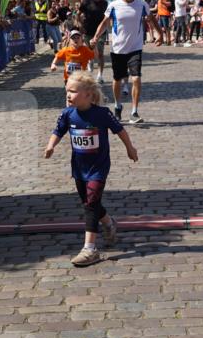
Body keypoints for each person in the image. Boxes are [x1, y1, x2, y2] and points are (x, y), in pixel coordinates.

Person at [44, 70, 138, 267]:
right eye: (67, 91)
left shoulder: (102, 114)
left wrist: (130, 148)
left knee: (91, 203)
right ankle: (109, 222)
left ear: (87, 94)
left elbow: (120, 131)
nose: (68, 95)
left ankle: (90, 248)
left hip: (98, 167)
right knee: (89, 202)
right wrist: (51, 145)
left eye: (73, 91)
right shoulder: (67, 114)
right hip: (79, 168)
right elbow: (58, 131)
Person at [90, 0, 163, 125]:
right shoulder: (114, 5)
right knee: (117, 80)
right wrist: (95, 37)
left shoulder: (142, 5)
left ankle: (134, 112)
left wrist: (159, 34)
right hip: (118, 49)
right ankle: (117, 106)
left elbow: (151, 19)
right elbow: (104, 23)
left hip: (135, 48)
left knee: (136, 78)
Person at [80, 0, 108, 82]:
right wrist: (80, 25)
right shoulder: (86, 2)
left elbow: (108, 16)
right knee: (90, 51)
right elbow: (78, 14)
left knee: (100, 53)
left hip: (101, 32)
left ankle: (100, 75)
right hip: (88, 31)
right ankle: (90, 60)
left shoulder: (104, 3)